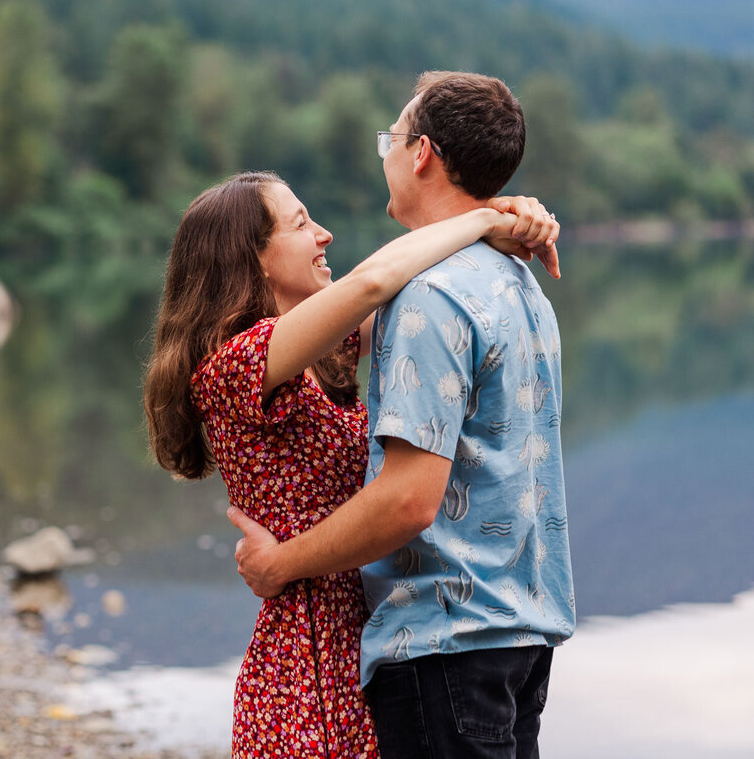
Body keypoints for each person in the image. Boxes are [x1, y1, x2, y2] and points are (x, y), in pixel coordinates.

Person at [143, 166, 558, 757]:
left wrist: (507, 214)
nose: (325, 234)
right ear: (253, 257)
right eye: (301, 223)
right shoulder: (232, 366)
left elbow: (413, 287)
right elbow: (375, 281)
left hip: (366, 629)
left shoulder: (305, 351)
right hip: (308, 662)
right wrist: (487, 218)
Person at [227, 71, 575, 759]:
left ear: (420, 155)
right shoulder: (518, 278)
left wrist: (280, 564)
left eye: (391, 137)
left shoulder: (430, 298)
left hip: (445, 645)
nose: (385, 153)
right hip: (523, 634)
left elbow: (409, 502)